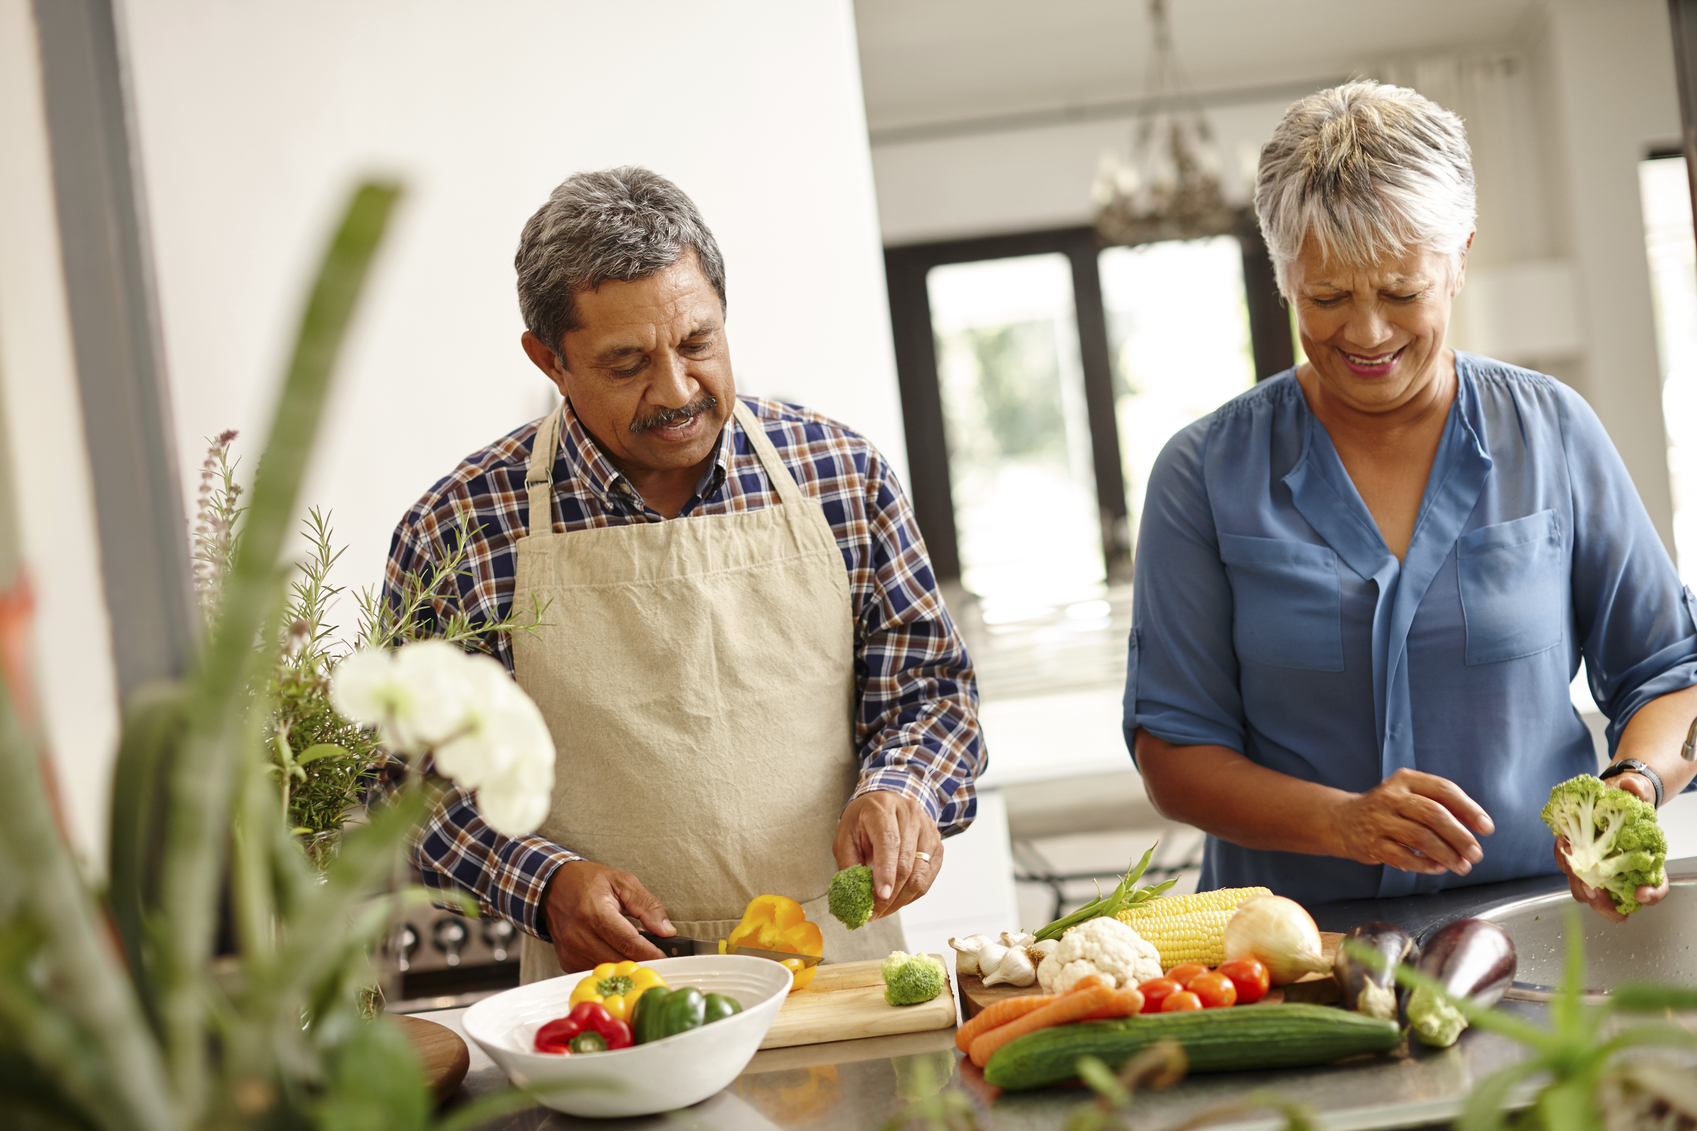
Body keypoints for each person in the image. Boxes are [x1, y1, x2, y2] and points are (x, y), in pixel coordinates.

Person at [388, 167, 983, 979]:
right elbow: (418, 787)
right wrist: (545, 884)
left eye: (697, 342)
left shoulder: (842, 475)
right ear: (549, 359)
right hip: (605, 994)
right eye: (626, 362)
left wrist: (903, 787)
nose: (676, 391)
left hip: (835, 968)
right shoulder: (454, 530)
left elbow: (930, 695)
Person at [1125, 82, 1697, 920]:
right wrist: (1342, 823)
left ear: (1458, 257)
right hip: (1292, 952)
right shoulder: (1201, 473)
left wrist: (1633, 784)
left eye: (1399, 292)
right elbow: (1173, 752)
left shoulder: (1552, 432)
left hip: (1534, 924)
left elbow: (1671, 675)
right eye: (1325, 297)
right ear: (1282, 275)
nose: (1365, 333)